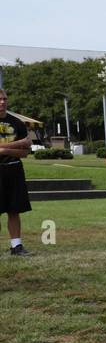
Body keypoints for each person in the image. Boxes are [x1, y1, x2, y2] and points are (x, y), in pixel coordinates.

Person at [0, 89, 35, 256]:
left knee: (14, 209)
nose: (2, 102)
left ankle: (16, 246)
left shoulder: (17, 123)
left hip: (14, 170)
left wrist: (4, 150)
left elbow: (26, 152)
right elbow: (23, 145)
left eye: (4, 99)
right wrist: (19, 142)